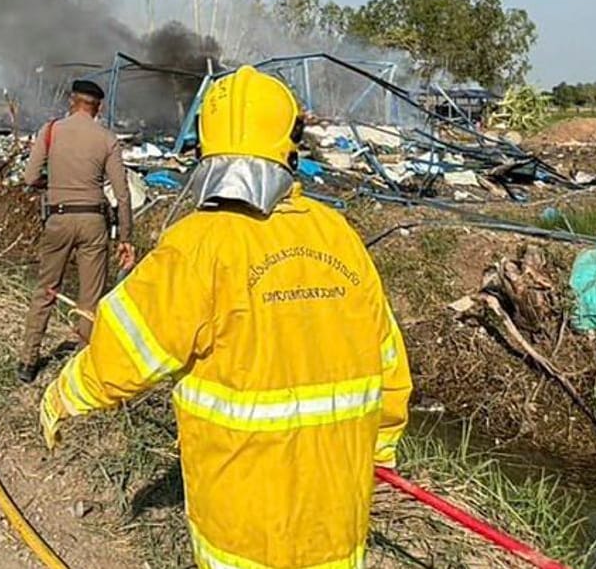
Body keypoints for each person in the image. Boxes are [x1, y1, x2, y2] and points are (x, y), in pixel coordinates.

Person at [38, 66, 412, 569]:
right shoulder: (339, 236)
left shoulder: (200, 244)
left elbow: (123, 352)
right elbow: (389, 362)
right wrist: (380, 451)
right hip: (336, 523)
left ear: (207, 146)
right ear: (288, 143)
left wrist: (64, 395)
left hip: (241, 528)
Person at [16, 78, 136, 383]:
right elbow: (122, 194)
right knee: (90, 298)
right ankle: (80, 370)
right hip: (94, 222)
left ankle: (28, 362)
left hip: (57, 217)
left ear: (72, 101)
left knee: (46, 289)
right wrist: (125, 238)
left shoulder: (51, 130)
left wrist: (54, 184)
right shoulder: (107, 139)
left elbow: (30, 178)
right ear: (99, 107)